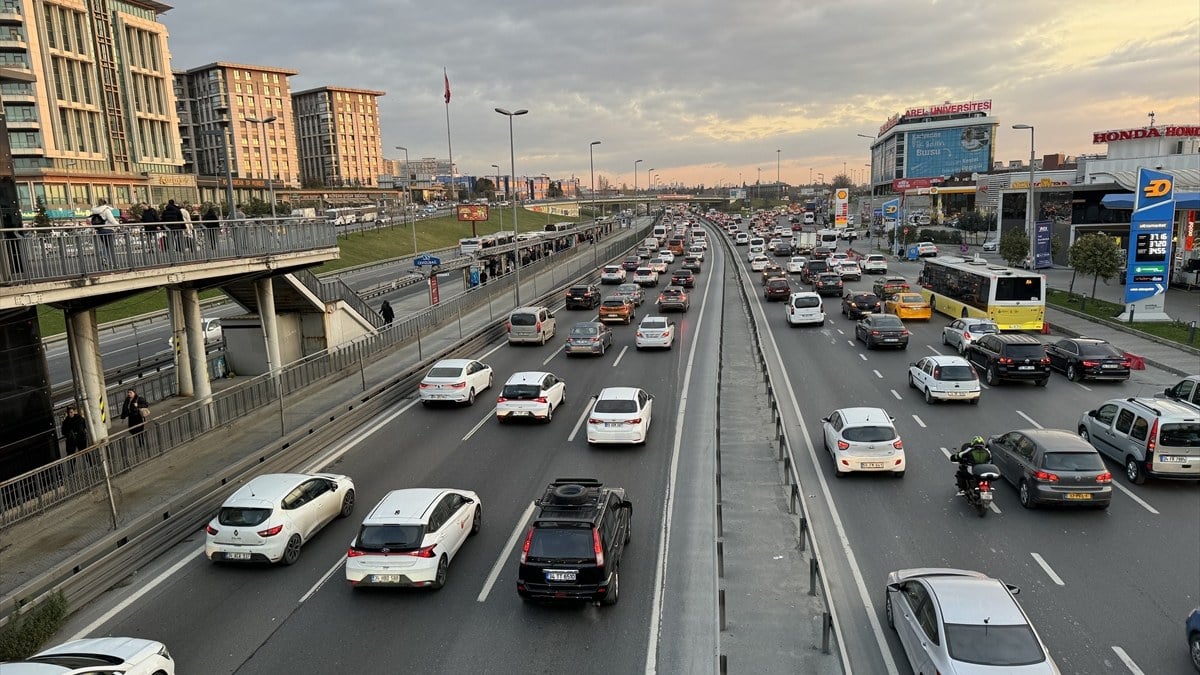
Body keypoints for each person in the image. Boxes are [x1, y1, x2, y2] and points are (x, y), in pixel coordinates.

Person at [89, 198, 120, 267]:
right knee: (111, 246)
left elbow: (90, 219)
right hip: (108, 229)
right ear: (105, 203)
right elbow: (112, 220)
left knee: (105, 245)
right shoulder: (106, 210)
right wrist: (118, 226)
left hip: (100, 230)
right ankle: (113, 263)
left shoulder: (95, 210)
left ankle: (104, 257)